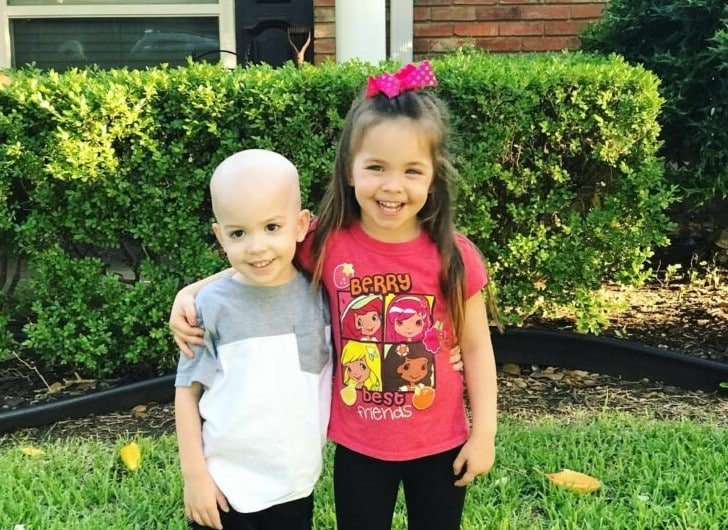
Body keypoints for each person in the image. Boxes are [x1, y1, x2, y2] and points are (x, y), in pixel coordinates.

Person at [171, 60, 498, 530]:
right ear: (349, 169)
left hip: (440, 441)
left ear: (433, 176)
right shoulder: (327, 242)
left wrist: (484, 433)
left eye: (412, 170)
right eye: (376, 167)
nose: (392, 186)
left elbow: (478, 348)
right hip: (359, 446)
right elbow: (264, 257)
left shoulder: (454, 255)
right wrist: (191, 292)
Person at [174, 149, 332, 530]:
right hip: (225, 488)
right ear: (220, 236)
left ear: (301, 225)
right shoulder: (211, 307)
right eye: (239, 233)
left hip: (295, 483)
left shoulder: (322, 297)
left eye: (272, 227)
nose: (257, 246)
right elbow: (186, 394)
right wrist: (195, 476)